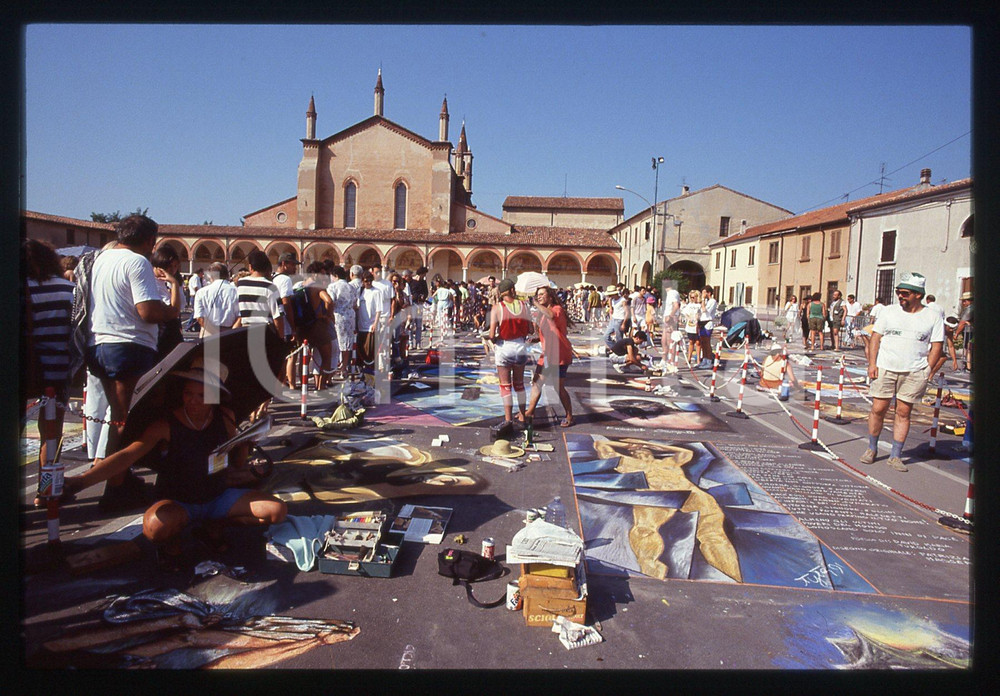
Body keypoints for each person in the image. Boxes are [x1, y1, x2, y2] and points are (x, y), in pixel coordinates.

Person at [62, 359, 287, 571]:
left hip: (217, 496)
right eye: (188, 393)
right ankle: (174, 543)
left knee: (277, 511)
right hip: (179, 501)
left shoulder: (225, 417)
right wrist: (81, 481)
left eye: (201, 395)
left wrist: (244, 443)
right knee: (155, 528)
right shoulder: (165, 425)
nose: (193, 400)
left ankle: (212, 526)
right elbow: (126, 456)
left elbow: (236, 462)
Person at [84, 214, 182, 511]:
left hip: (99, 343)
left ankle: (120, 479)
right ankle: (114, 489)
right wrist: (171, 310)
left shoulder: (100, 259)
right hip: (128, 345)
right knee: (129, 421)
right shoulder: (137, 262)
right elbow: (148, 312)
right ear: (150, 240)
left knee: (119, 418)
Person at [862, 272, 944, 473]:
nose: (901, 296)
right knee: (878, 409)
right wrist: (872, 364)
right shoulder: (889, 312)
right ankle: (872, 448)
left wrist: (927, 371)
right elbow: (875, 339)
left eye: (905, 293)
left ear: (918, 295)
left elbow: (937, 346)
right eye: (899, 292)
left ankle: (896, 455)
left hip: (914, 372)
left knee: (903, 412)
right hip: (885, 368)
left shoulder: (933, 317)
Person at [23, 239, 76, 508]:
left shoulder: (19, 289)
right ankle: (45, 491)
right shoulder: (68, 289)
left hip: (21, 370)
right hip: (55, 372)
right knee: (50, 435)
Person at [524, 286, 574, 428]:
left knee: (558, 387)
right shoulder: (542, 313)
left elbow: (552, 316)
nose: (539, 297)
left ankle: (569, 416)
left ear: (550, 297)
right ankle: (530, 411)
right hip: (548, 353)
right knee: (537, 382)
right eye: (537, 295)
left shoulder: (557, 309)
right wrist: (535, 339)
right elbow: (546, 331)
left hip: (559, 353)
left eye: (541, 294)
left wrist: (535, 304)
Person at [487, 277, 532, 427]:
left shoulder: (497, 308)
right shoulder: (524, 306)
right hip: (520, 346)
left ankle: (508, 419)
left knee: (505, 386)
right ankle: (523, 416)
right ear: (512, 290)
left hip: (504, 347)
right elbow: (531, 329)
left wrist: (494, 340)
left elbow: (492, 335)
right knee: (519, 385)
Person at [294, 262, 336, 389]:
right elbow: (329, 301)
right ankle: (321, 386)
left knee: (303, 358)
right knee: (327, 357)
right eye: (322, 274)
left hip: (302, 327)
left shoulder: (298, 286)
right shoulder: (318, 288)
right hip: (317, 326)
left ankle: (303, 385)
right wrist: (327, 316)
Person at [151, 246, 185, 359]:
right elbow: (173, 309)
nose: (172, 270)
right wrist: (174, 284)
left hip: (173, 330)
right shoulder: (153, 282)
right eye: (169, 266)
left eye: (175, 266)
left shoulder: (170, 281)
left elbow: (180, 306)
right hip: (161, 332)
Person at [193, 261, 239, 338]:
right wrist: (231, 332)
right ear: (227, 275)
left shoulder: (201, 292)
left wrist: (214, 332)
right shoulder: (236, 291)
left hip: (208, 333)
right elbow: (240, 317)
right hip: (230, 332)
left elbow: (199, 318)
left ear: (211, 276)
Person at [326, 265, 358, 376]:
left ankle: (334, 368)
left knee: (336, 342)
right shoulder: (352, 287)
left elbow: (330, 301)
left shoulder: (332, 287)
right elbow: (355, 303)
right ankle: (344, 368)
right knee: (347, 343)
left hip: (337, 316)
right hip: (349, 316)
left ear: (335, 275)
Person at [356, 271, 382, 374]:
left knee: (369, 350)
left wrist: (375, 323)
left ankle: (370, 370)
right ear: (362, 282)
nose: (369, 283)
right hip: (361, 325)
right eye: (366, 281)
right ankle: (362, 369)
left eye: (370, 281)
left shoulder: (376, 292)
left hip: (371, 325)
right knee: (361, 349)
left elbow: (378, 309)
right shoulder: (360, 291)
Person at [659, 285, 681, 369]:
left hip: (670, 319)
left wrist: (670, 316)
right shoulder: (670, 294)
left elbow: (676, 306)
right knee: (663, 340)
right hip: (667, 318)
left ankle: (671, 361)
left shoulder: (672, 293)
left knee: (670, 341)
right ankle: (664, 360)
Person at [697, 287, 718, 368]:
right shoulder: (706, 301)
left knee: (707, 342)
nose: (703, 295)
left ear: (709, 293)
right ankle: (704, 359)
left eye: (704, 293)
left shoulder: (712, 301)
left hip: (708, 323)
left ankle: (709, 360)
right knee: (702, 342)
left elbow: (705, 310)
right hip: (702, 322)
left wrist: (702, 299)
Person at [680, 289, 702, 366]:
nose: (693, 299)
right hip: (690, 325)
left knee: (698, 342)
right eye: (691, 297)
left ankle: (698, 359)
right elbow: (685, 313)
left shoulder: (699, 305)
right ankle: (689, 358)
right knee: (691, 341)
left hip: (697, 325)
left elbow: (701, 313)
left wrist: (697, 318)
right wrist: (689, 317)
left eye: (694, 297)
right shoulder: (689, 305)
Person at [955, 291, 973, 372]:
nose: (963, 303)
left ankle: (969, 367)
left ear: (969, 300)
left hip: (970, 332)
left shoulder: (970, 309)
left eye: (964, 301)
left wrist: (956, 334)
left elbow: (962, 322)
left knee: (968, 349)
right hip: (971, 332)